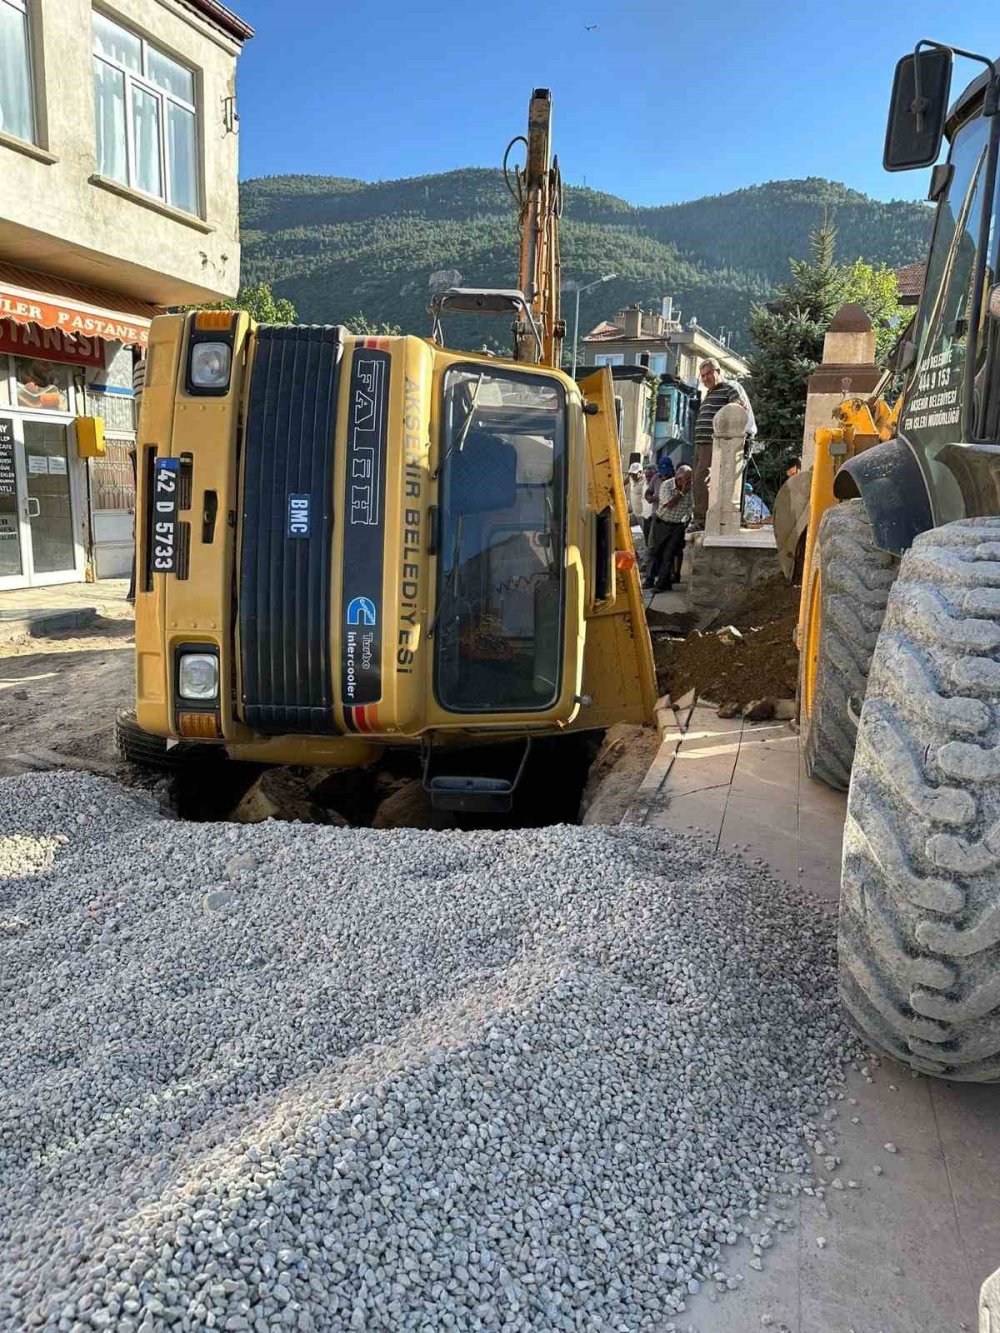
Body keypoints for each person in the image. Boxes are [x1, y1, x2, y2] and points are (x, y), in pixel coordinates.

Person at [690, 358, 749, 531]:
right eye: (702, 375)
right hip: (701, 444)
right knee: (697, 481)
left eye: (709, 373)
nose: (706, 378)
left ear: (718, 371)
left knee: (703, 480)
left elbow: (738, 406)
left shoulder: (728, 388)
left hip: (713, 444)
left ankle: (701, 521)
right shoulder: (709, 393)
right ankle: (700, 518)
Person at [644, 464, 693, 592]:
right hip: (661, 523)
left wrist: (687, 522)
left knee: (668, 555)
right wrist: (682, 492)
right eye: (687, 479)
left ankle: (660, 584)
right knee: (656, 553)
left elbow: (691, 506)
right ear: (679, 478)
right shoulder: (666, 485)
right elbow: (669, 504)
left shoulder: (690, 489)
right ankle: (655, 580)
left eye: (690, 479)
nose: (689, 482)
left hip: (677, 526)